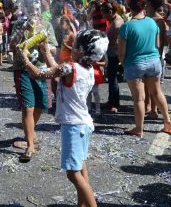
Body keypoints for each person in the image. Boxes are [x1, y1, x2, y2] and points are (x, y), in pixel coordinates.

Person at [17, 30, 108, 207]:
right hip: (84, 124)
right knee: (81, 167)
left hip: (73, 126)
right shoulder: (87, 68)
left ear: (81, 50)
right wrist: (44, 51)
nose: (70, 47)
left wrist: (25, 59)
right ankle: (82, 204)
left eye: (73, 45)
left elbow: (39, 74)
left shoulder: (71, 68)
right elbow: (57, 70)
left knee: (72, 173)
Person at [118, 0, 171, 137]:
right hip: (153, 61)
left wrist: (124, 63)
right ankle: (167, 123)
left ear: (129, 8)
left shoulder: (127, 26)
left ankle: (139, 129)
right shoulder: (152, 23)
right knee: (157, 93)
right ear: (144, 6)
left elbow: (121, 52)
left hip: (135, 63)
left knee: (139, 98)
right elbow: (157, 45)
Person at [10, 0, 57, 161]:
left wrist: (42, 43)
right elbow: (12, 46)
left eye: (37, 9)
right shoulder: (18, 23)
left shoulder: (46, 25)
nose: (34, 12)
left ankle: (30, 132)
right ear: (26, 9)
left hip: (42, 69)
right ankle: (30, 144)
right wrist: (23, 33)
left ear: (41, 10)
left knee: (40, 106)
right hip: (22, 69)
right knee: (28, 107)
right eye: (31, 9)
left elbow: (53, 49)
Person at [101, 2, 124, 113]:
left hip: (114, 54)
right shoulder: (114, 20)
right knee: (111, 79)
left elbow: (111, 42)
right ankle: (111, 100)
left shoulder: (116, 23)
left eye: (103, 13)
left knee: (113, 79)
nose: (102, 16)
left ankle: (115, 103)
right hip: (112, 53)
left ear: (110, 12)